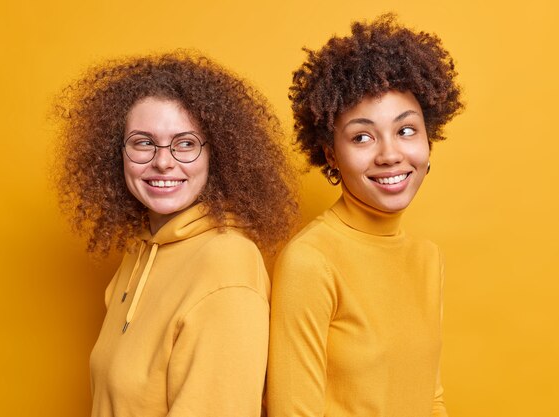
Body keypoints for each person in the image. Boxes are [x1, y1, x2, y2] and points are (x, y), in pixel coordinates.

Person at [54, 51, 297, 417]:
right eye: (143, 142)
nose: (163, 161)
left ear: (217, 155)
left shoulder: (227, 265)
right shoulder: (141, 253)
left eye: (185, 143)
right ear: (115, 154)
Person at [266, 14, 464, 417]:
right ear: (330, 154)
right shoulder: (310, 263)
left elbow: (431, 398)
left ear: (429, 135)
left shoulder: (427, 259)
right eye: (362, 136)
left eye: (406, 130)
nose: (390, 154)